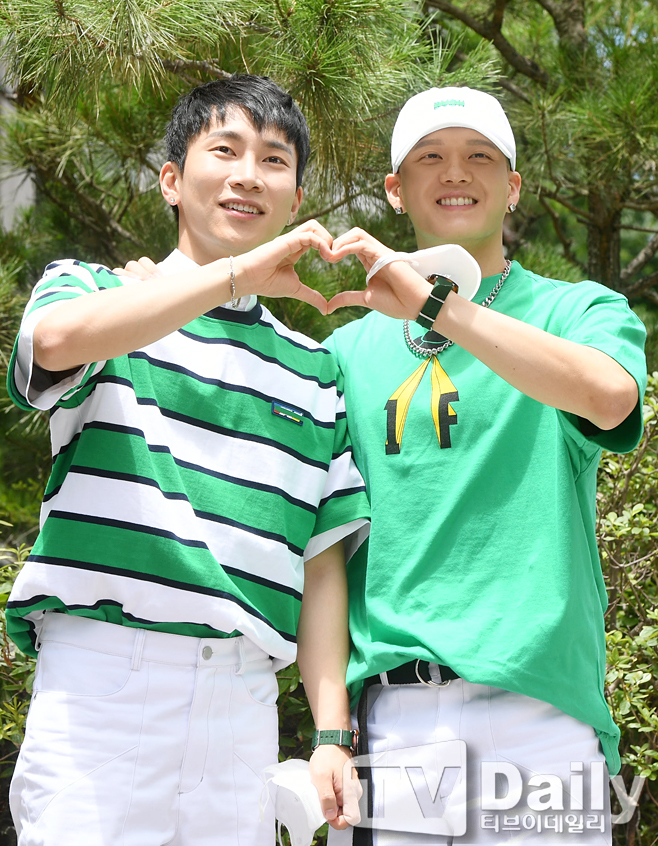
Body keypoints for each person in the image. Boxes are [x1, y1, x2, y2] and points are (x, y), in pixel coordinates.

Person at [5, 74, 369, 846]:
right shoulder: (94, 291)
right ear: (172, 180)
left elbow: (321, 564)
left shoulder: (316, 370)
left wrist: (333, 733)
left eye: (274, 160)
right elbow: (55, 343)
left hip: (241, 704)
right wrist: (227, 278)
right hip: (104, 686)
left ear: (297, 200)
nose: (248, 175)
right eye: (224, 150)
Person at [320, 87, 647, 844]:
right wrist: (331, 731)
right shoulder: (343, 353)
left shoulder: (579, 311)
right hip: (394, 725)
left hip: (542, 722)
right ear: (395, 189)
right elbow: (325, 552)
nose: (455, 172)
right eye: (429, 157)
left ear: (513, 185)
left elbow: (608, 398)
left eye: (479, 156)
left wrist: (437, 306)